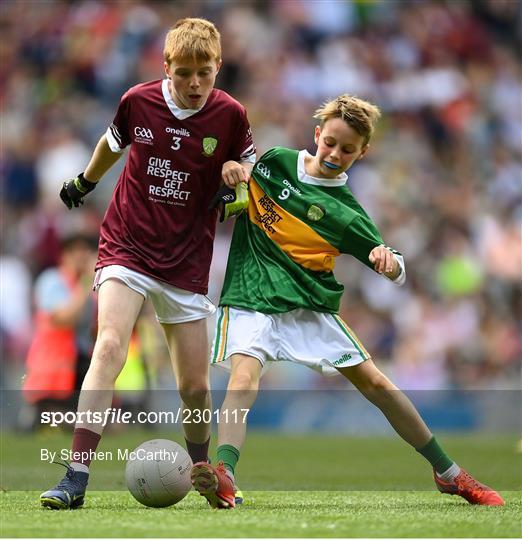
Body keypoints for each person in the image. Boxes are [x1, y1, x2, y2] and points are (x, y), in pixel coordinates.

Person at [189, 95, 505, 509]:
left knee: (377, 383)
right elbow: (232, 188)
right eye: (331, 142)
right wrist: (233, 170)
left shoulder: (348, 214)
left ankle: (449, 473)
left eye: (348, 149)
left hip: (308, 307)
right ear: (317, 134)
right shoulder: (275, 163)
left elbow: (395, 264)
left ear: (363, 152)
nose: (336, 154)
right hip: (251, 296)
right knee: (243, 380)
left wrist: (388, 263)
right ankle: (225, 474)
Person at [40, 17, 255, 510]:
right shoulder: (138, 100)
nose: (195, 82)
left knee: (195, 388)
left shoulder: (230, 114)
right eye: (184, 72)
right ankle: (75, 476)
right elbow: (111, 144)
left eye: (205, 71)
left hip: (186, 259)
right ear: (166, 68)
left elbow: (247, 161)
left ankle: (202, 471)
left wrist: (235, 174)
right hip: (128, 245)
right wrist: (85, 182)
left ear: (218, 66)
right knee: (110, 344)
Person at [23, 233, 97, 425]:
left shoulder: (88, 285)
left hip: (80, 361)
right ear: (64, 255)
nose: (82, 257)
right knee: (54, 420)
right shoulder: (52, 281)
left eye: (86, 252)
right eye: (77, 252)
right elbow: (63, 318)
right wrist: (87, 282)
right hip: (55, 367)